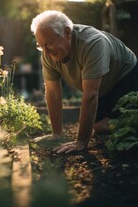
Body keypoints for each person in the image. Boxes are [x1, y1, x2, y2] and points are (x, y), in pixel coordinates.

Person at [30, 10, 138, 154]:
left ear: (67, 33)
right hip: (104, 88)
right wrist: (57, 133)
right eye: (40, 45)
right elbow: (53, 92)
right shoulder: (48, 53)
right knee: (98, 126)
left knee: (116, 124)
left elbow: (91, 94)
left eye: (48, 44)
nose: (45, 51)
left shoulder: (93, 43)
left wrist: (81, 142)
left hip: (126, 77)